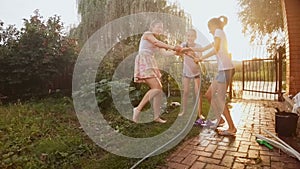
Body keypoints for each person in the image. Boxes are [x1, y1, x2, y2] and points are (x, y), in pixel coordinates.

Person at [133, 19, 182, 123]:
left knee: (158, 91)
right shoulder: (148, 34)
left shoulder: (155, 41)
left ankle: (156, 117)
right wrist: (173, 47)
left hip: (150, 62)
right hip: (144, 61)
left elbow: (164, 53)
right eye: (158, 27)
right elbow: (157, 42)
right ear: (152, 27)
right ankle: (137, 109)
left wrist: (175, 53)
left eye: (161, 27)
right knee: (157, 88)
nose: (160, 29)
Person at [194, 16, 237, 136]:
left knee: (220, 99)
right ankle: (220, 119)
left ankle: (232, 128)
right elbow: (206, 47)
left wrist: (201, 58)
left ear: (214, 26)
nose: (209, 31)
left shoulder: (218, 31)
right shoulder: (219, 34)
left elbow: (216, 48)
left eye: (209, 28)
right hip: (224, 70)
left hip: (225, 70)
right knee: (209, 95)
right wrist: (190, 49)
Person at [178, 29, 204, 125]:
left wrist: (192, 54)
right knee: (185, 92)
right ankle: (184, 111)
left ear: (195, 37)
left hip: (196, 72)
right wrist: (182, 51)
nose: (190, 38)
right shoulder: (183, 45)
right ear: (186, 36)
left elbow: (199, 59)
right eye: (188, 36)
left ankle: (200, 113)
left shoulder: (199, 47)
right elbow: (178, 53)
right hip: (186, 72)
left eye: (192, 36)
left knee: (198, 93)